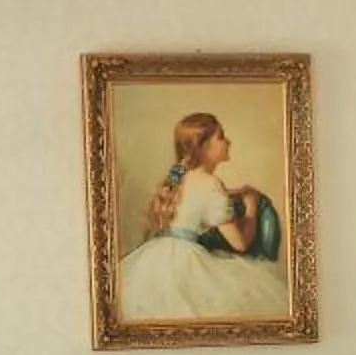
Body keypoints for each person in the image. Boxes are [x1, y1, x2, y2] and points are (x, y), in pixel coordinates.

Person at [116, 111, 290, 322]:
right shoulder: (211, 184)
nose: (228, 142)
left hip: (155, 259)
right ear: (205, 147)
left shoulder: (177, 177)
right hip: (184, 264)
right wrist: (251, 205)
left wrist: (230, 194)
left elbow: (196, 200)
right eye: (221, 137)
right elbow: (241, 244)